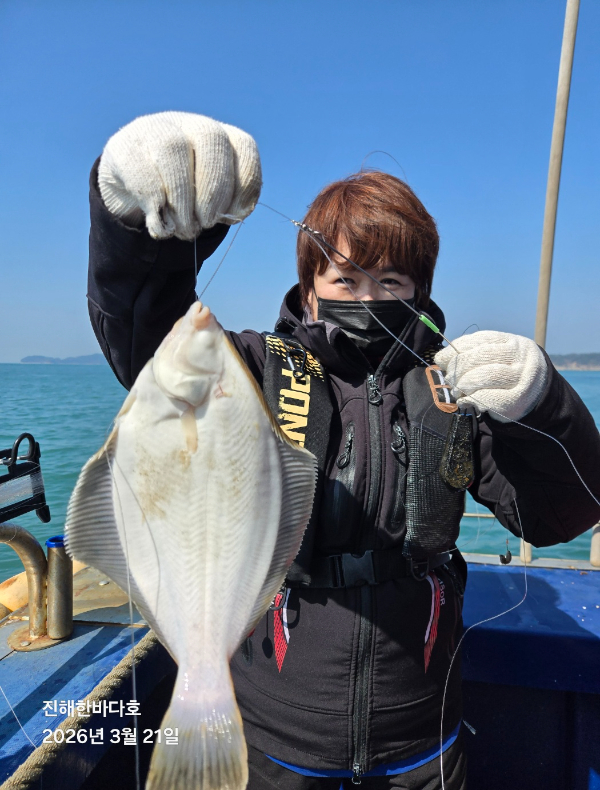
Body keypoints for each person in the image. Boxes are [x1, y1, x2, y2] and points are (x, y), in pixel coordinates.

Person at [87, 111, 600, 790]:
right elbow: (142, 339)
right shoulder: (248, 371)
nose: (368, 297)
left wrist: (543, 405)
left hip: (422, 739)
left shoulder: (450, 392)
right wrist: (131, 220)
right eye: (345, 279)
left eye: (392, 282)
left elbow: (562, 513)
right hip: (274, 735)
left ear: (420, 292)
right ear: (309, 289)